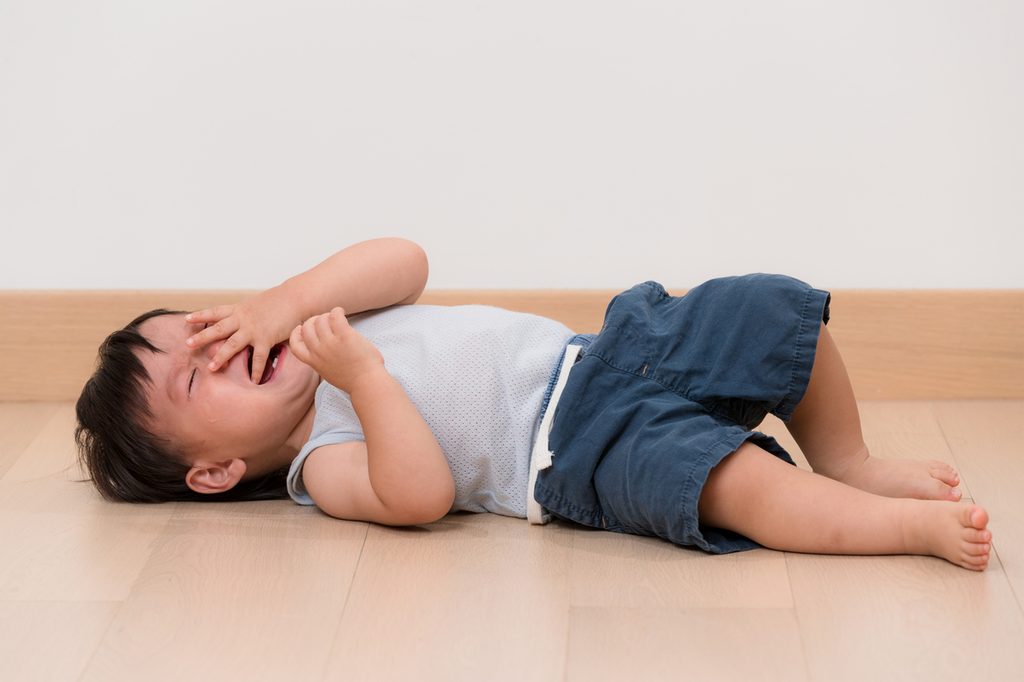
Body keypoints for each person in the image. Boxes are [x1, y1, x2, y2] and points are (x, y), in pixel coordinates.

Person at [74, 237, 992, 571]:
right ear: (216, 470)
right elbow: (419, 494)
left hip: (603, 351)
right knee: (730, 481)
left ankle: (849, 458)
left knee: (769, 305)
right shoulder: (323, 461)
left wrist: (286, 297)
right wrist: (363, 378)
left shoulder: (319, 324)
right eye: (199, 377)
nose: (230, 351)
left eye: (212, 331)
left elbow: (406, 258)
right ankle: (894, 530)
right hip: (575, 451)